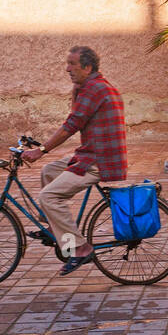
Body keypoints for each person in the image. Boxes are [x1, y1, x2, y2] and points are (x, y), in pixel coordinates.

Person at [21, 46, 128, 275]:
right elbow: (75, 114)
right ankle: (54, 228)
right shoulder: (91, 87)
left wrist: (41, 150)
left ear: (87, 67)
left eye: (72, 64)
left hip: (99, 160)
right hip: (90, 154)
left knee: (48, 196)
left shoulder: (95, 89)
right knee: (49, 171)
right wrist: (75, 89)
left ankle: (79, 248)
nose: (67, 68)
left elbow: (71, 125)